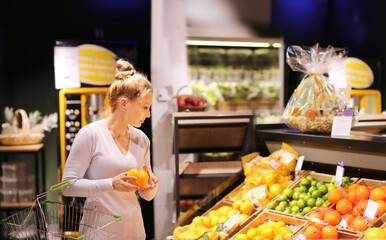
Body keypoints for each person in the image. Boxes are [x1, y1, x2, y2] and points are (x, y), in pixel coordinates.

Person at [61, 58, 158, 240]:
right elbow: (67, 186)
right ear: (124, 104)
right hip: (98, 233)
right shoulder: (90, 134)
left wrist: (150, 185)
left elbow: (147, 196)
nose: (148, 114)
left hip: (134, 231)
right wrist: (111, 184)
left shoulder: (141, 139)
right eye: (145, 107)